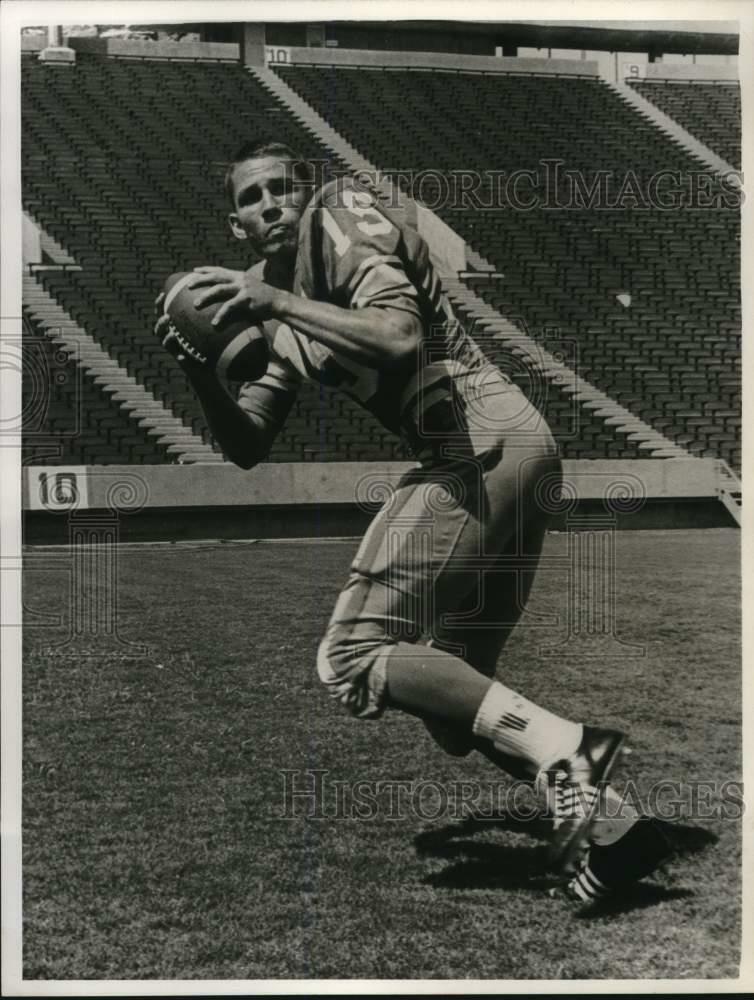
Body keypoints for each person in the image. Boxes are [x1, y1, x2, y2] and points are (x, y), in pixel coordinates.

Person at [155, 141, 671, 901]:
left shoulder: (337, 217)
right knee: (455, 706)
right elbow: (247, 445)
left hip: (476, 444)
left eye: (281, 188)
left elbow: (396, 335)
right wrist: (203, 375)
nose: (270, 205)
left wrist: (281, 305)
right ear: (235, 225)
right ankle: (624, 831)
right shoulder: (268, 296)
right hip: (503, 458)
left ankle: (573, 753)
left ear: (308, 190)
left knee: (353, 655)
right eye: (251, 198)